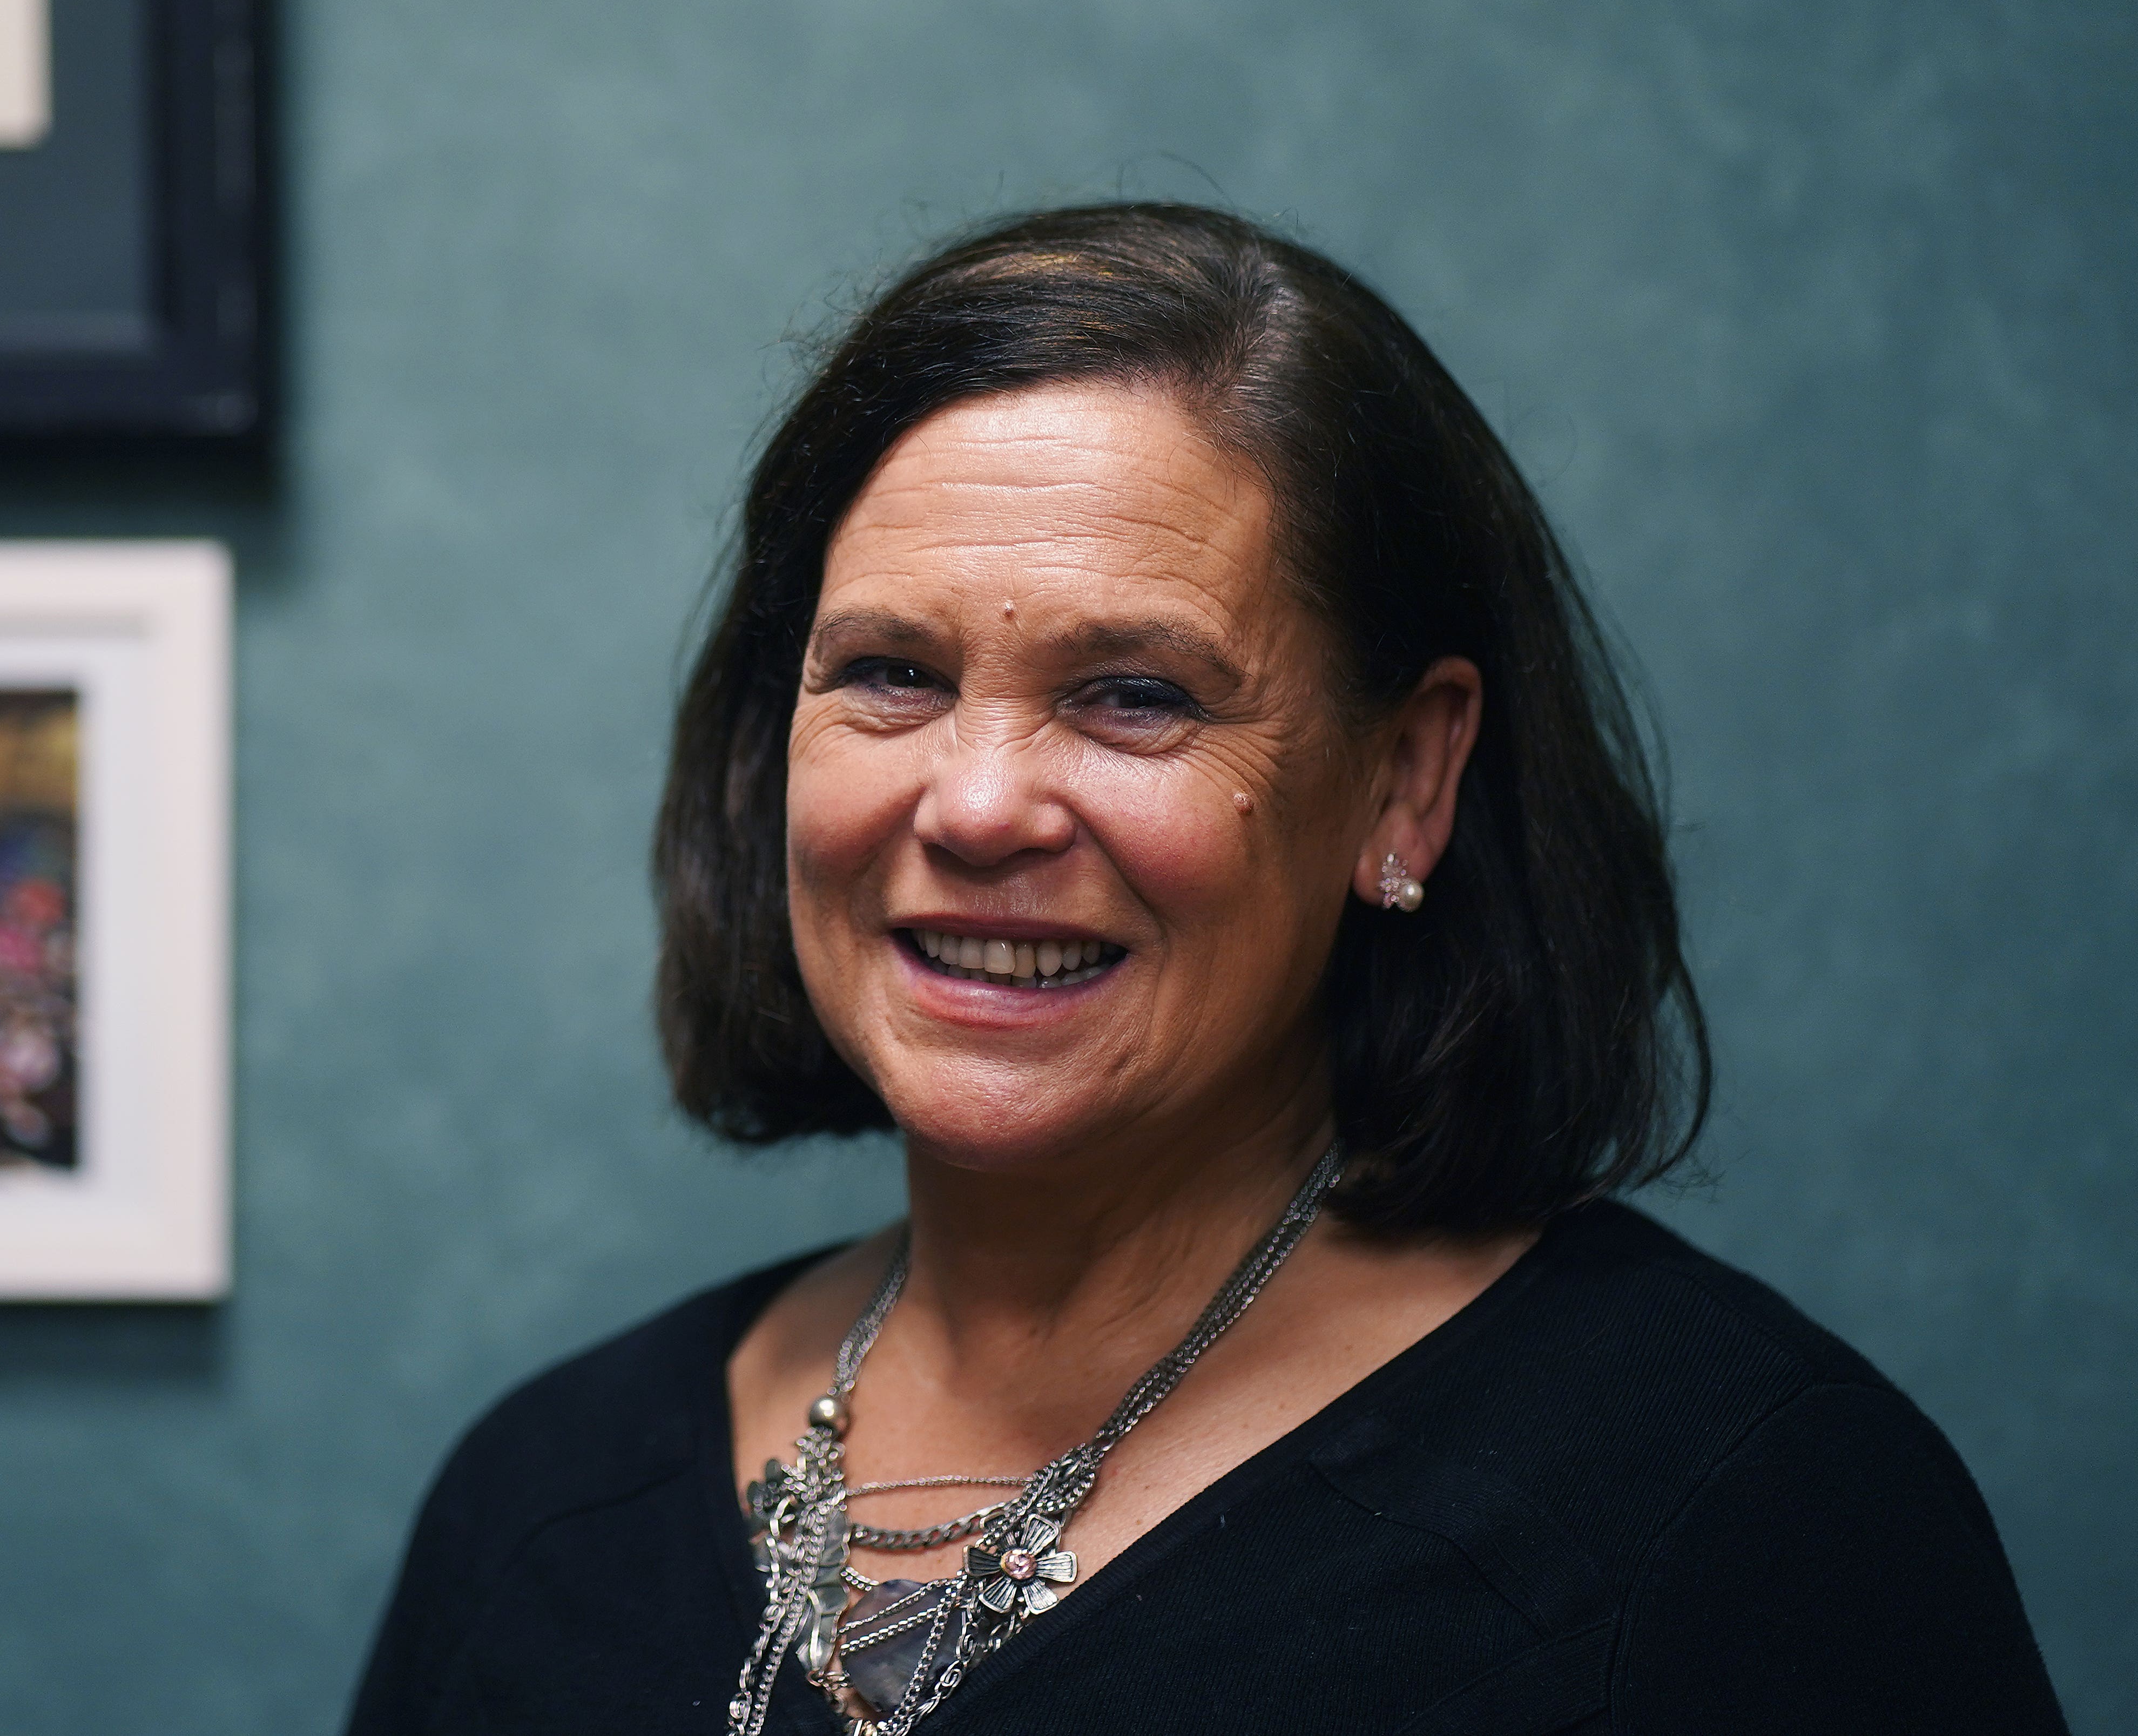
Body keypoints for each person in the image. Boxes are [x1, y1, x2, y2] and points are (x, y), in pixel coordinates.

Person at [345, 205, 2066, 1735]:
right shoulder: (545, 1503)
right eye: (890, 672)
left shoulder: (1742, 1517)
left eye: (1136, 695)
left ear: (1406, 780)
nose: (981, 802)